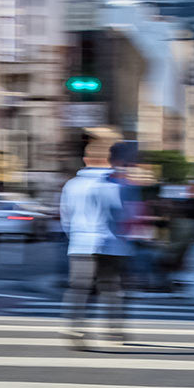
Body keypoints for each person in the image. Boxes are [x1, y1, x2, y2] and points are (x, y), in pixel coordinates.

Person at [59, 133, 136, 348]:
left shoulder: (71, 186)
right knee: (112, 288)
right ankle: (114, 331)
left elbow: (66, 218)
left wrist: (75, 237)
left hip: (80, 245)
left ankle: (75, 329)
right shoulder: (123, 186)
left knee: (79, 288)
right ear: (111, 160)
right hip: (113, 245)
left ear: (86, 160)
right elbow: (128, 217)